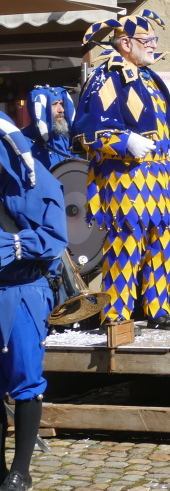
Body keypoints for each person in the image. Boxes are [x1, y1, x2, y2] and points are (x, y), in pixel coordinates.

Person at [71, 10, 170, 330]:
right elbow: (88, 132)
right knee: (127, 242)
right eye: (146, 40)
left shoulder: (151, 77)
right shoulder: (107, 77)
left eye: (153, 39)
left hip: (161, 179)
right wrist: (125, 141)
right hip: (126, 178)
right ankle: (117, 316)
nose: (153, 45)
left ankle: (158, 308)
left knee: (163, 241)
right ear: (125, 43)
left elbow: (164, 122)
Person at [0, 117, 67, 491]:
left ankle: (20, 471)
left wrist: (13, 245)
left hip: (24, 291)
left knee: (25, 377)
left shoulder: (35, 178)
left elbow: (55, 237)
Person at [24, 87, 75, 170]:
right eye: (54, 104)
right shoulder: (23, 142)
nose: (61, 110)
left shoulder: (63, 139)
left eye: (61, 104)